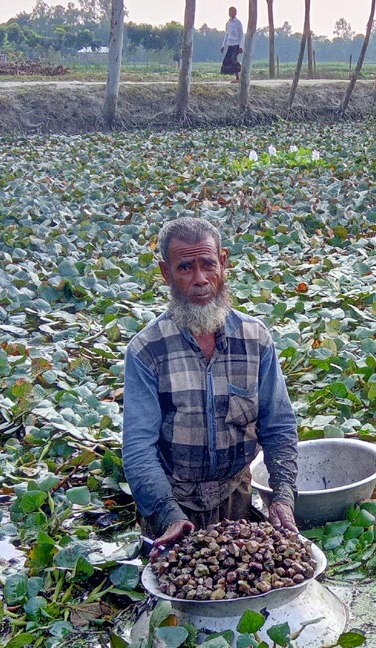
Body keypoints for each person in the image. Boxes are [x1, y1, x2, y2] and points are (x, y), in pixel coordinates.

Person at [123, 217, 299, 558]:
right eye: (185, 267)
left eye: (208, 264)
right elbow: (138, 448)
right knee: (177, 599)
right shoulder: (146, 350)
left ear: (224, 263)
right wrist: (168, 515)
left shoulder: (255, 338)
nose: (200, 279)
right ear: (165, 273)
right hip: (171, 501)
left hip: (236, 496)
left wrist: (283, 497)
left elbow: (278, 426)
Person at [220, 6, 244, 83]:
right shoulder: (228, 23)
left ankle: (239, 73)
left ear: (235, 13)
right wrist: (223, 45)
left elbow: (241, 35)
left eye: (233, 12)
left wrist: (241, 46)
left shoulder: (238, 23)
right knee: (228, 61)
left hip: (236, 44)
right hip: (230, 44)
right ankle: (237, 76)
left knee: (234, 59)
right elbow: (226, 35)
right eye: (230, 12)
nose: (231, 13)